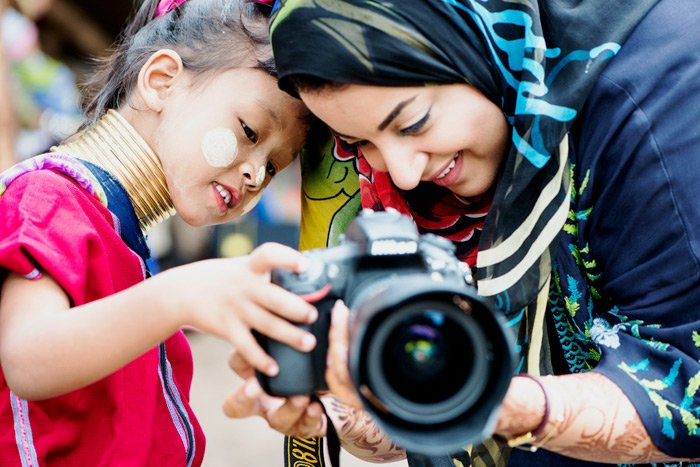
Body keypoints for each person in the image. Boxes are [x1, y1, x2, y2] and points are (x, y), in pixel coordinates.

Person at [223, 0, 700, 466]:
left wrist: (482, 400)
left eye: (412, 123)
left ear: (474, 42)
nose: (404, 174)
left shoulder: (655, 101)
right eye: (360, 142)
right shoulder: (406, 178)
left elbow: (688, 395)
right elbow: (395, 432)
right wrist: (345, 390)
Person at [0, 0, 323, 464]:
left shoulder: (122, 237)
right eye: (251, 131)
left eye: (273, 167)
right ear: (161, 81)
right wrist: (180, 295)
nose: (255, 173)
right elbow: (27, 359)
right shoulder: (49, 197)